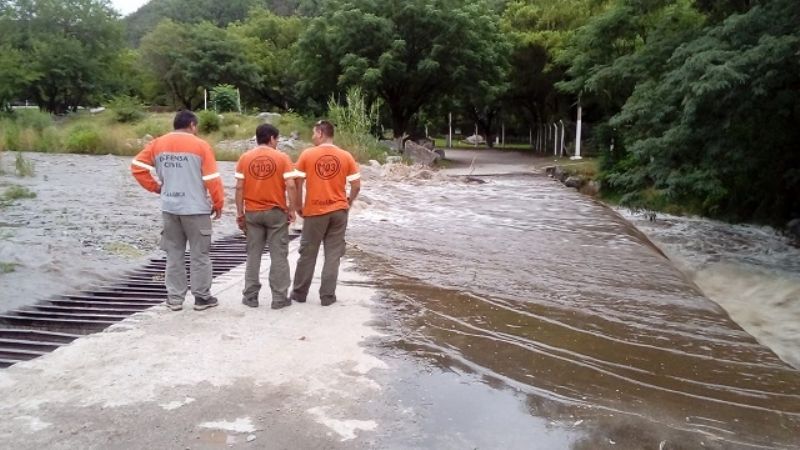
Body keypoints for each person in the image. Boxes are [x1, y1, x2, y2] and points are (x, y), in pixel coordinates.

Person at [131, 110, 224, 312]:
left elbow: (137, 167)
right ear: (192, 125)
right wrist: (218, 203)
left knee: (174, 254)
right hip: (196, 209)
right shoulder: (201, 145)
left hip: (170, 208)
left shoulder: (158, 144)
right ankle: (201, 298)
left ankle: (174, 299)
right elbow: (212, 180)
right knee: (200, 255)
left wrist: (156, 187)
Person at [290, 120, 361, 306]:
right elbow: (356, 185)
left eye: (314, 133)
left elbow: (297, 181)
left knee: (308, 253)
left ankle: (299, 294)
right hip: (339, 211)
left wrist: (298, 205)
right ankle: (327, 297)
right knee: (333, 255)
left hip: (315, 211)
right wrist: (348, 202)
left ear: (321, 133)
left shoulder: (307, 154)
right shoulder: (346, 156)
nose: (313, 137)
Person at [235, 124, 298, 309]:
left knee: (253, 254)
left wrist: (240, 213)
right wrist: (292, 209)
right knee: (278, 255)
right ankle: (279, 298)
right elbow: (291, 185)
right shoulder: (282, 158)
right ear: (271, 138)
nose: (277, 143)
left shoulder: (245, 158)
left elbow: (239, 187)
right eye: (277, 139)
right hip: (276, 212)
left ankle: (250, 296)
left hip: (252, 213)